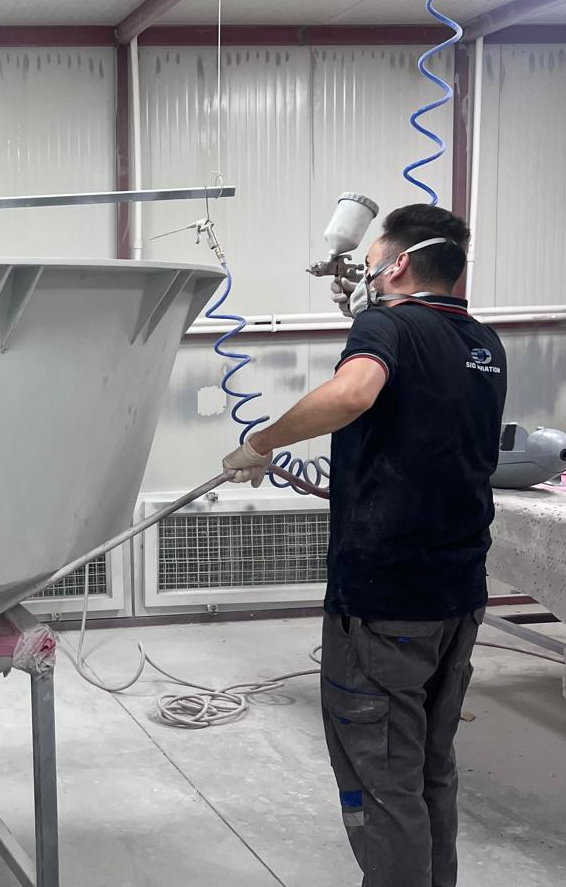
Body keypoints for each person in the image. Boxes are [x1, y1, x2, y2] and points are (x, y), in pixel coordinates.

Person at [221, 204, 506, 887]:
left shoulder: (386, 327)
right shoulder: (484, 342)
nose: (366, 274)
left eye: (374, 262)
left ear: (399, 264)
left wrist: (263, 443)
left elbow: (353, 393)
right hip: (458, 593)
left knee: (381, 778)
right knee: (430, 767)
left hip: (385, 598)